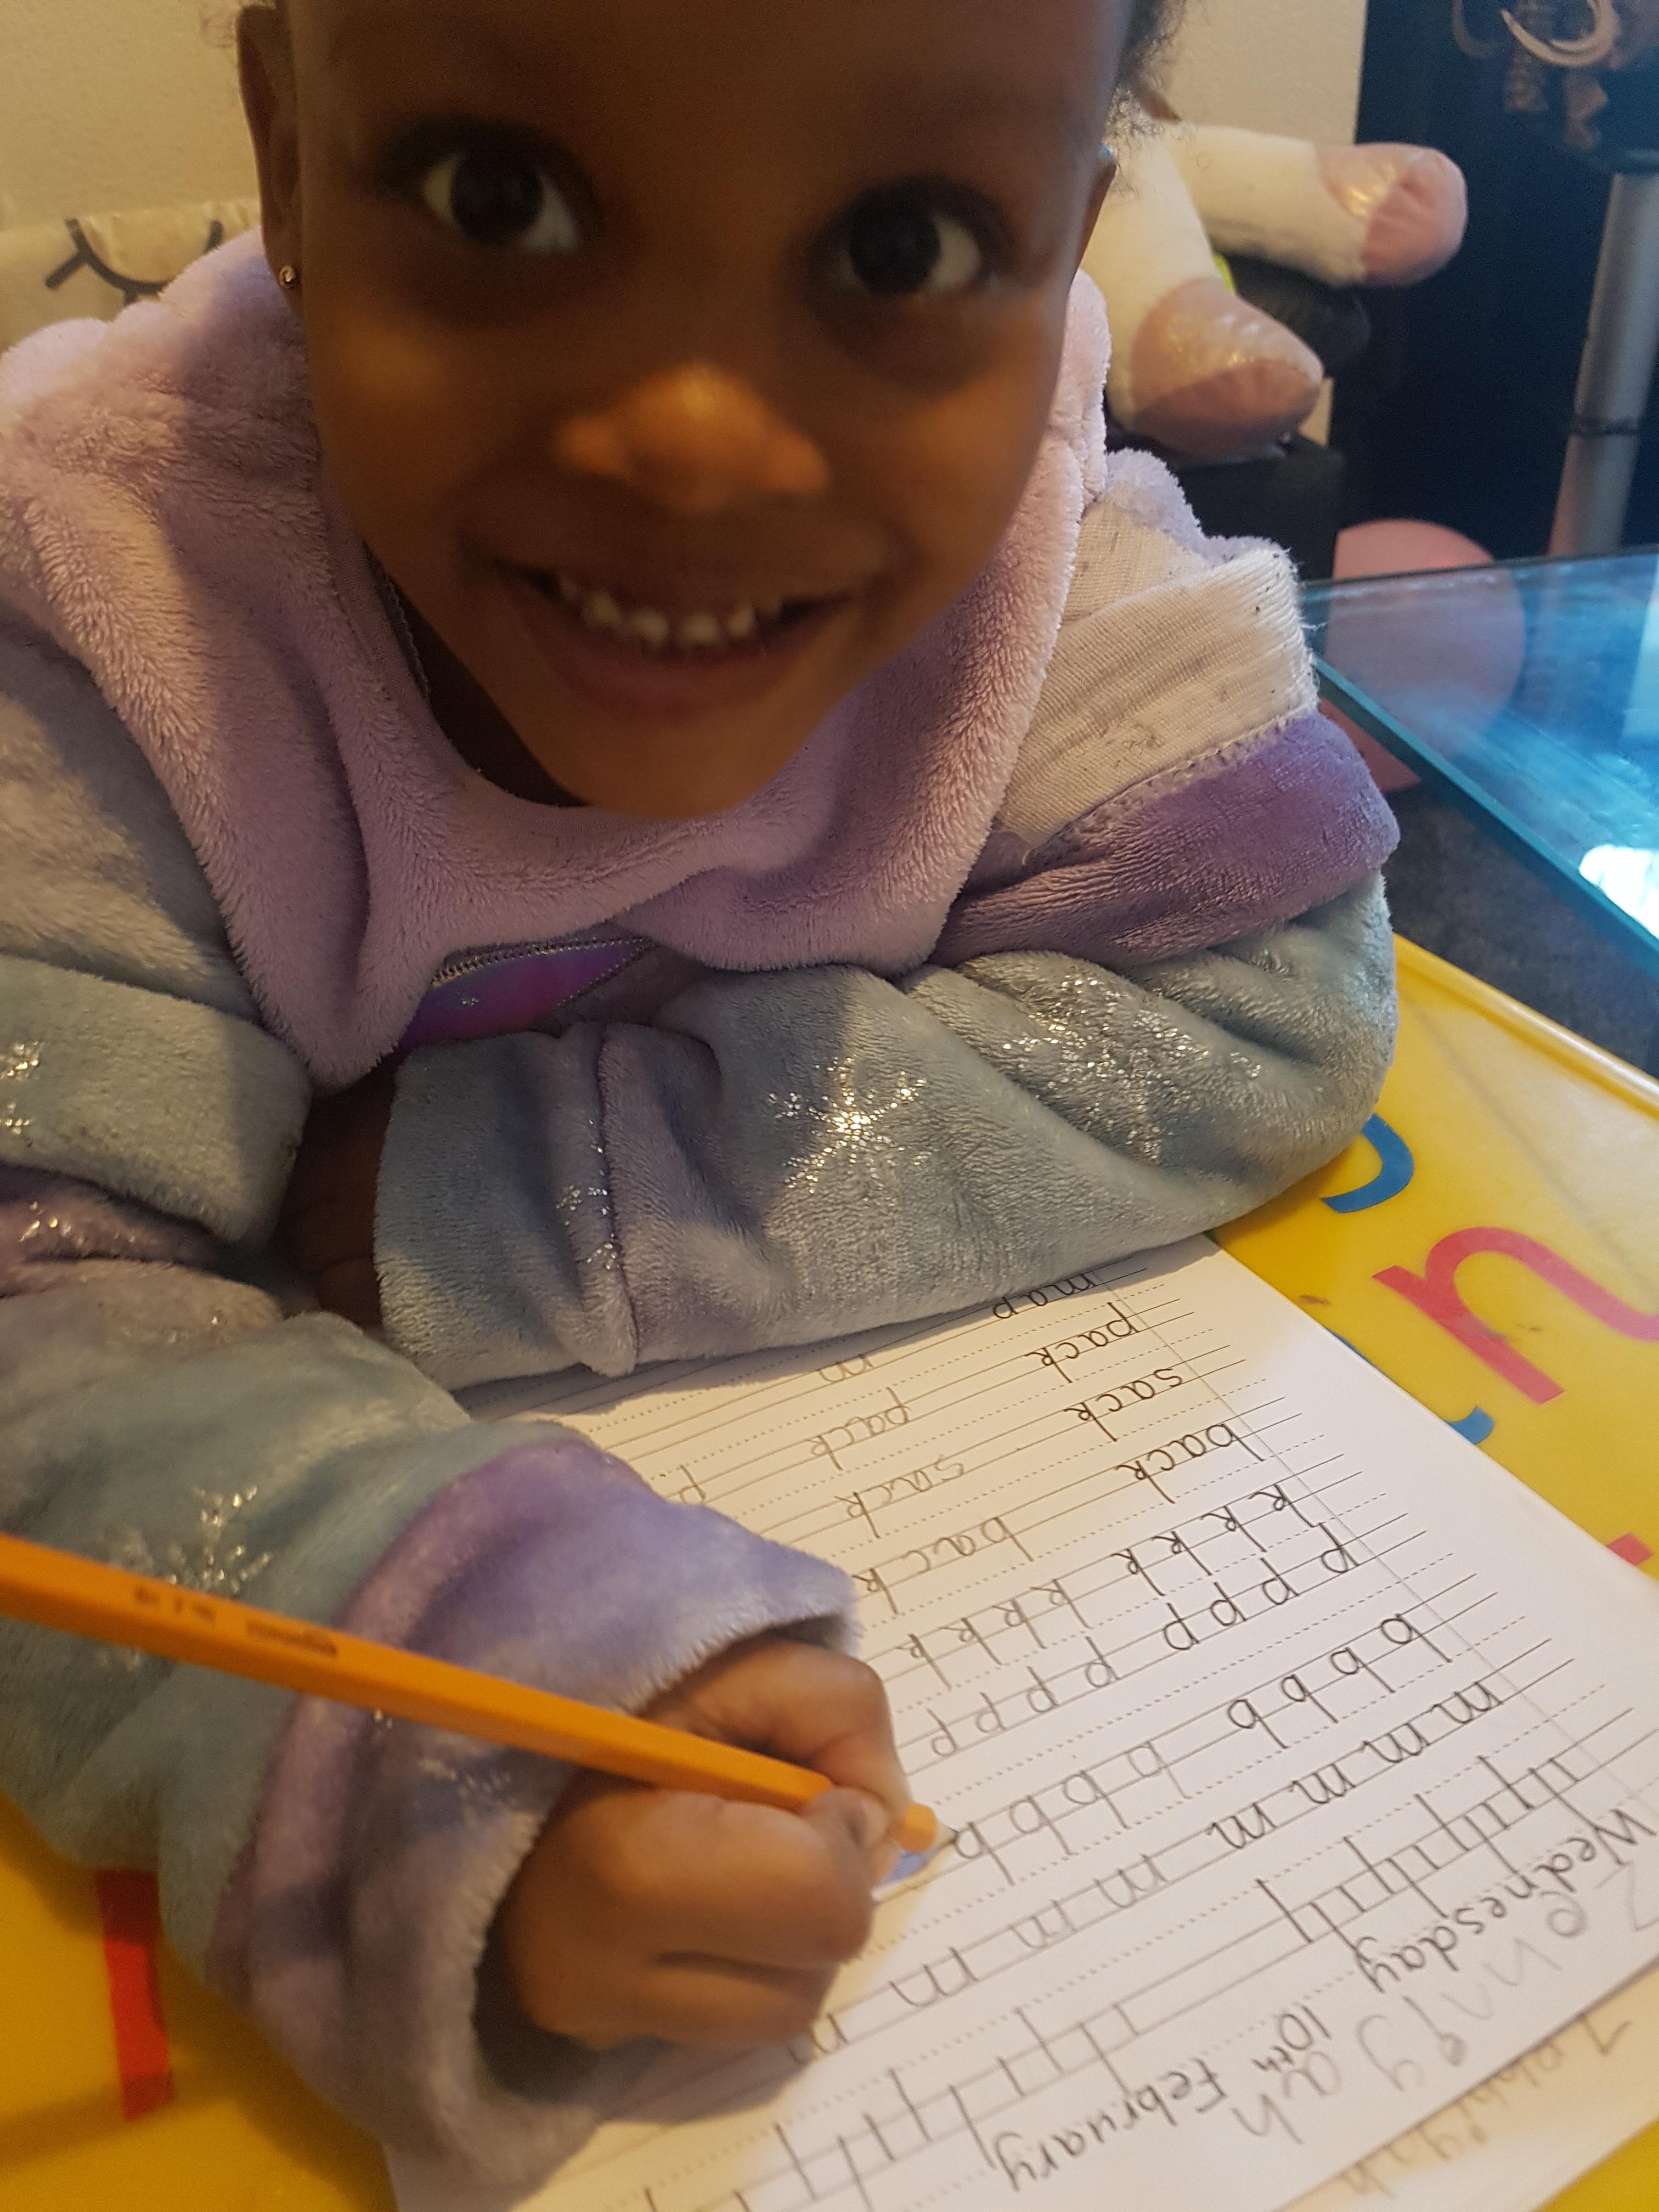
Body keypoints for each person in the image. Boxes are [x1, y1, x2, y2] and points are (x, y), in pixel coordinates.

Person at [0, 0, 1397, 2186]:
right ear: (284, 140)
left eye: (906, 245)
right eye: (499, 198)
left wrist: (512, 1199)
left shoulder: (1050, 532)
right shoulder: (114, 594)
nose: (696, 444)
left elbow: (1275, 984)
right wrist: (461, 1704)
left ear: (1077, 225)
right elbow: (42, 1303)